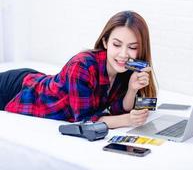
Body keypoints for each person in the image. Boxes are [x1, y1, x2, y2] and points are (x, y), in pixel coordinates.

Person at [0, 11, 157, 129]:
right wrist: (128, 120)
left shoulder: (126, 68)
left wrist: (131, 89)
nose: (124, 54)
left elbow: (117, 109)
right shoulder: (82, 66)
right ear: (105, 42)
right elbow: (84, 121)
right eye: (117, 45)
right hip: (16, 90)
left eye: (132, 47)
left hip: (37, 79)